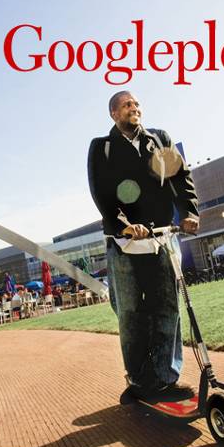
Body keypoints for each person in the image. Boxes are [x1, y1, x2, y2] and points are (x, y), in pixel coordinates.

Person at [87, 90, 199, 402]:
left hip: (161, 240)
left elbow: (181, 179)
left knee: (167, 309)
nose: (133, 108)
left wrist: (189, 211)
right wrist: (123, 223)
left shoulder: (160, 139)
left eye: (136, 104)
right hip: (125, 245)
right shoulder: (102, 147)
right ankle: (138, 380)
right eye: (126, 105)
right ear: (113, 114)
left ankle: (165, 379)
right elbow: (102, 193)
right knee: (131, 315)